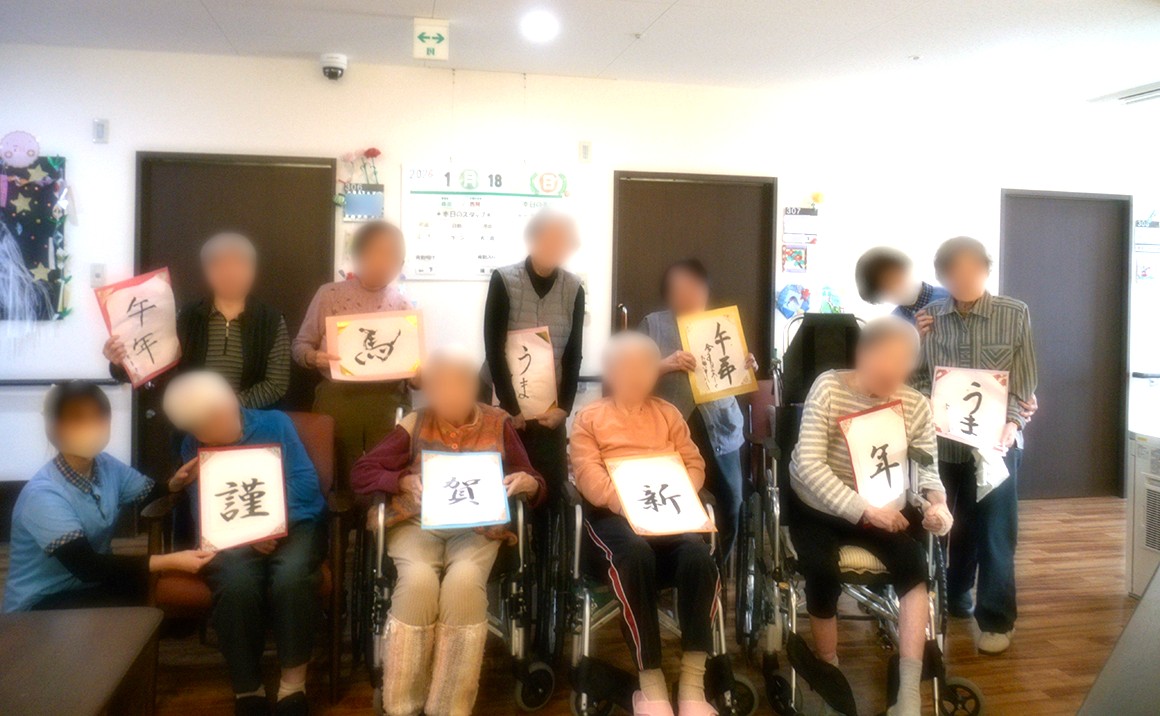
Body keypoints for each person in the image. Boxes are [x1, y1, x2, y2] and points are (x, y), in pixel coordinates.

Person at [350, 346, 545, 716]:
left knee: (464, 583)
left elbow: (534, 480)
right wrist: (401, 481)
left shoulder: (498, 423)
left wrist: (528, 483)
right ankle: (402, 704)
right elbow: (362, 473)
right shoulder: (415, 423)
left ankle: (449, 707)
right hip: (416, 524)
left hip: (478, 528)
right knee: (418, 582)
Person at [789, 317, 952, 716]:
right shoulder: (829, 387)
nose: (892, 378)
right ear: (864, 355)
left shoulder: (914, 404)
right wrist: (864, 511)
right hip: (819, 506)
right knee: (820, 567)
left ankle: (909, 689)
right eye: (885, 367)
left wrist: (937, 505)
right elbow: (808, 464)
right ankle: (829, 671)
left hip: (883, 504)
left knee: (914, 563)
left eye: (901, 370)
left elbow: (927, 470)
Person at [571, 332, 719, 716]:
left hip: (667, 512)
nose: (636, 375)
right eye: (626, 367)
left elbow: (694, 464)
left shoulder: (669, 414)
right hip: (614, 517)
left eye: (645, 367)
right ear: (611, 372)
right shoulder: (589, 417)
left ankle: (693, 683)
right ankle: (651, 684)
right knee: (635, 554)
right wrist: (626, 503)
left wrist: (681, 492)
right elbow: (587, 475)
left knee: (699, 558)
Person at [163, 371, 328, 716]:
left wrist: (268, 525)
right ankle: (248, 688)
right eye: (199, 427)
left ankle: (293, 686)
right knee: (236, 582)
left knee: (292, 577)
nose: (208, 431)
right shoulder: (193, 444)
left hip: (295, 522)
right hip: (234, 535)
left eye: (215, 418)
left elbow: (305, 483)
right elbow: (206, 508)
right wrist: (248, 532)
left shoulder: (275, 424)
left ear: (230, 402)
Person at [911, 237, 1038, 656]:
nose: (964, 279)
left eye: (972, 271)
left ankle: (997, 619)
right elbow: (915, 380)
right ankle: (957, 594)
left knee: (996, 533)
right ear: (943, 277)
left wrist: (1014, 422)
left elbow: (1024, 382)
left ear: (986, 269)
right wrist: (915, 346)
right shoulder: (929, 318)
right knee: (954, 524)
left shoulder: (1014, 313)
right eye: (954, 273)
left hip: (996, 446)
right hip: (944, 445)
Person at [3, 381, 212, 613]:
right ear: (55, 427)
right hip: (42, 602)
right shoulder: (43, 494)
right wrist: (169, 561)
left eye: (99, 417)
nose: (91, 426)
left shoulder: (105, 465)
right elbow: (87, 566)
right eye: (78, 419)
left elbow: (150, 494)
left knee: (179, 592)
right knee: (170, 593)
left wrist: (174, 484)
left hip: (94, 583)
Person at [482, 208, 584, 657]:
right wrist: (509, 407)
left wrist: (565, 407)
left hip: (549, 412)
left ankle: (545, 596)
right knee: (506, 493)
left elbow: (574, 353)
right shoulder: (504, 280)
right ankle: (507, 583)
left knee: (548, 496)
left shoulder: (574, 287)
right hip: (509, 412)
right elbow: (492, 346)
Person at [639, 259, 756, 560]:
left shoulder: (722, 325)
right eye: (682, 290)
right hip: (670, 430)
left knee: (730, 504)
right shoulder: (653, 325)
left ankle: (717, 570)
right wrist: (666, 364)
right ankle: (683, 567)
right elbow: (632, 377)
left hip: (721, 428)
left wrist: (747, 365)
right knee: (677, 504)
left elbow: (735, 372)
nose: (690, 296)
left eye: (696, 289)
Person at [104, 232, 290, 408]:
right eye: (219, 264)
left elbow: (276, 385)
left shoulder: (271, 321)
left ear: (252, 269)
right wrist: (120, 363)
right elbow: (154, 369)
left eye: (239, 264)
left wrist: (226, 409)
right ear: (207, 271)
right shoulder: (186, 317)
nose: (230, 272)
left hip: (250, 424)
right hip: (192, 421)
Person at [293, 221, 413, 488]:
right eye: (376, 252)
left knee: (382, 474)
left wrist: (420, 371)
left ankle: (376, 513)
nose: (383, 262)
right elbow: (300, 347)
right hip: (339, 397)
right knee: (338, 476)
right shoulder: (330, 294)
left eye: (392, 256)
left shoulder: (403, 306)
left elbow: (415, 378)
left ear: (401, 264)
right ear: (358, 255)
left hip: (386, 401)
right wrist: (314, 358)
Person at [855, 247, 949, 325]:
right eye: (885, 289)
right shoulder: (894, 323)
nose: (894, 288)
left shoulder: (951, 296)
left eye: (894, 279)